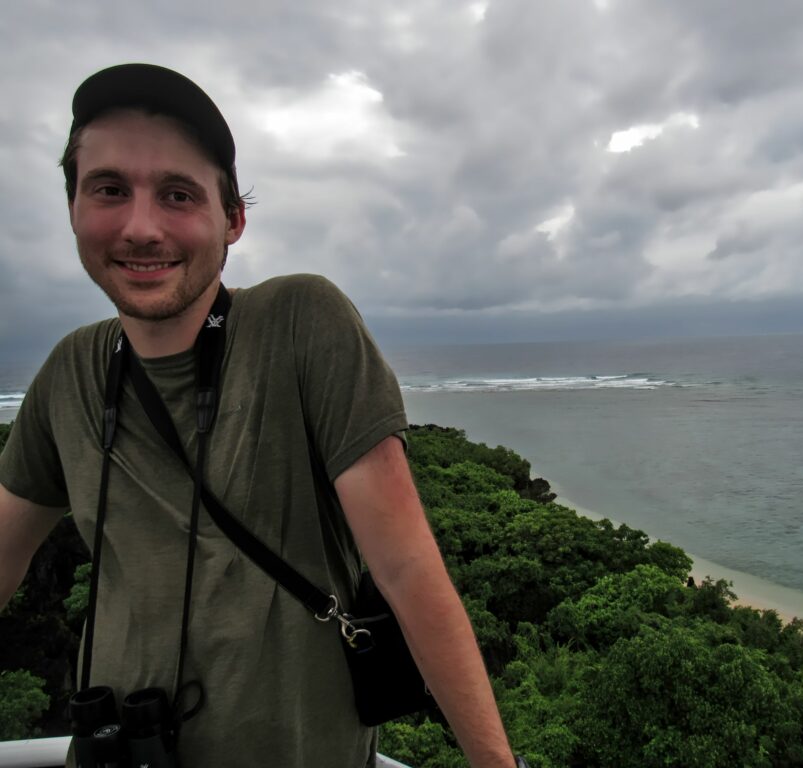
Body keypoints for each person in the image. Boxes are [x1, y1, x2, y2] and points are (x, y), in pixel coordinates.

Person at [0, 63, 524, 767]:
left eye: (178, 194)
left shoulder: (301, 322)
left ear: (233, 220)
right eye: (110, 190)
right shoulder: (71, 372)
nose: (141, 226)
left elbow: (407, 570)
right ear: (73, 209)